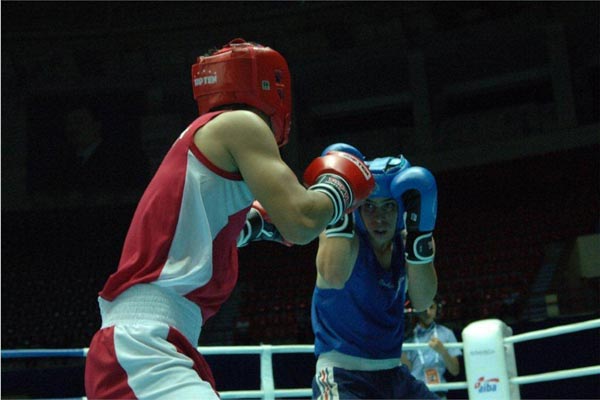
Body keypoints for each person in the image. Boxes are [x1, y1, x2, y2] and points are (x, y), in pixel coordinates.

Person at [84, 38, 375, 399]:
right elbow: (301, 222)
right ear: (271, 87)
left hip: (150, 344)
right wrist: (339, 188)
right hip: (144, 348)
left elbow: (192, 236)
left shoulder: (205, 138)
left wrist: (251, 224)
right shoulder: (242, 125)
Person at [311, 144, 440, 399]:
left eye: (388, 207)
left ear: (402, 209)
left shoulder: (409, 243)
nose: (378, 218)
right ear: (356, 207)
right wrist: (341, 212)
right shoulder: (343, 239)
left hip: (394, 376)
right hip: (343, 374)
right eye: (369, 206)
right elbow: (334, 276)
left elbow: (423, 300)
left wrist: (420, 235)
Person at [401, 296, 462, 400]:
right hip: (416, 394)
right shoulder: (408, 336)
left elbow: (455, 370)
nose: (428, 312)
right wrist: (399, 350)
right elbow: (407, 371)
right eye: (424, 308)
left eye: (431, 307)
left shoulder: (446, 333)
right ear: (418, 310)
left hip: (439, 393)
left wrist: (443, 351)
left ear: (437, 308)